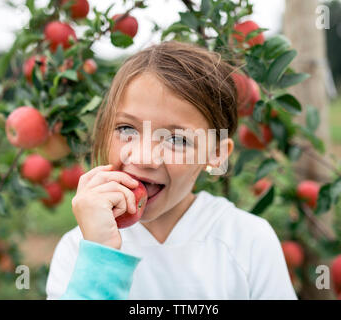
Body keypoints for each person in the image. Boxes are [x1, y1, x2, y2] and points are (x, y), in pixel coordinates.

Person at [46, 40, 297, 300]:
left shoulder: (248, 242)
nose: (144, 157)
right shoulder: (80, 249)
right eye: (127, 129)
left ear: (217, 155)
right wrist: (101, 256)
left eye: (176, 139)